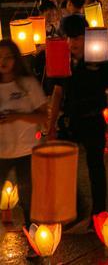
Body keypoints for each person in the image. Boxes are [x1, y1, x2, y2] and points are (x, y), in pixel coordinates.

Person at [47, 15, 108, 226]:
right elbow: (58, 93)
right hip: (70, 121)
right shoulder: (61, 57)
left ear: (87, 37)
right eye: (68, 39)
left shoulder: (98, 57)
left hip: (93, 119)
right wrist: (51, 125)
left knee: (96, 166)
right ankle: (72, 209)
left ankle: (98, 213)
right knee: (62, 166)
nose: (73, 44)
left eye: (77, 38)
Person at [0, 40, 47, 232]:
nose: (3, 62)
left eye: (7, 57)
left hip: (26, 150)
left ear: (16, 59)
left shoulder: (28, 85)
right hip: (1, 152)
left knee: (29, 200)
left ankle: (35, 242)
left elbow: (43, 115)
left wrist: (17, 116)